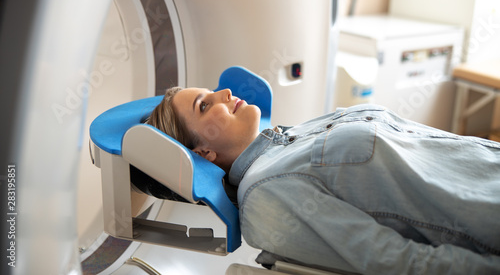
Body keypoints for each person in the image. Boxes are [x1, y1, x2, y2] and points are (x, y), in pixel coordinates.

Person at [146, 87, 500, 275]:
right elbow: (396, 261)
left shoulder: (289, 137)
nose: (224, 92)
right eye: (205, 105)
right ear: (204, 153)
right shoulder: (267, 194)